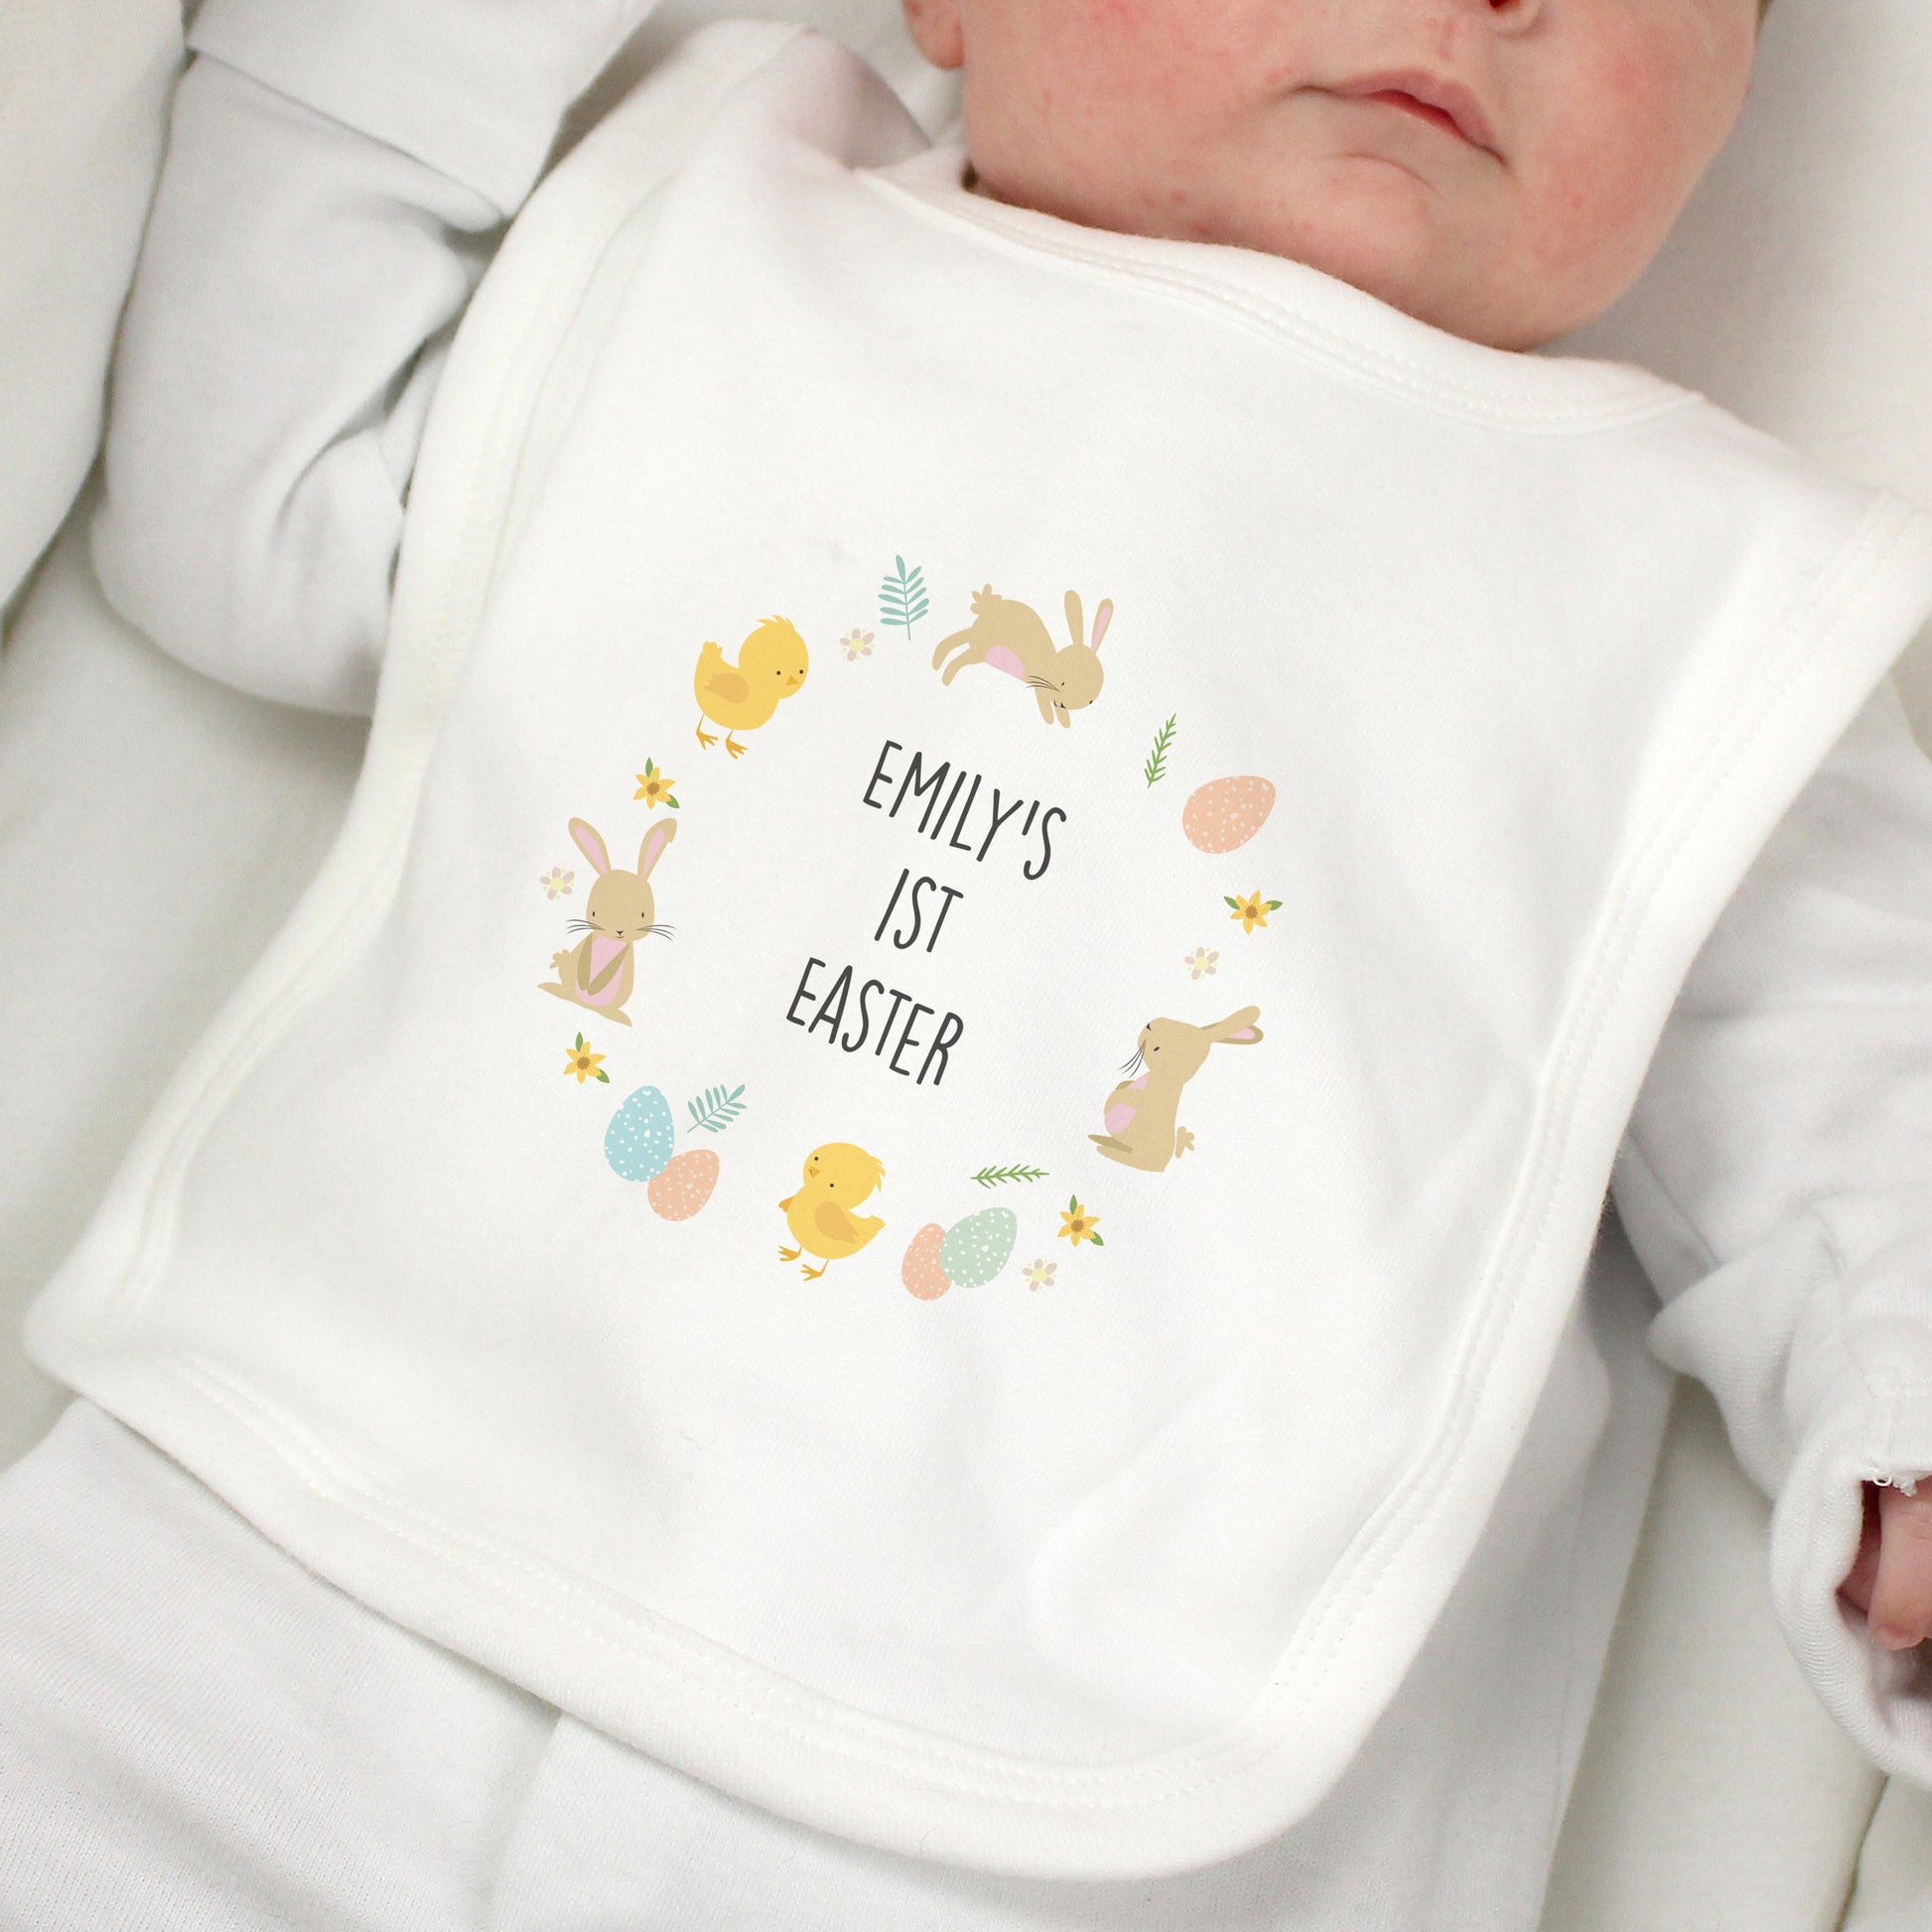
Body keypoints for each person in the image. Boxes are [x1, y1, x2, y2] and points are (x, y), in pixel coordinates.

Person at [8, 0, 1932, 1924]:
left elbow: (1862, 1077)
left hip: (1075, 1819)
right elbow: (251, 505)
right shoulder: (714, 241)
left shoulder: (1686, 602)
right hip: (275, 1582)